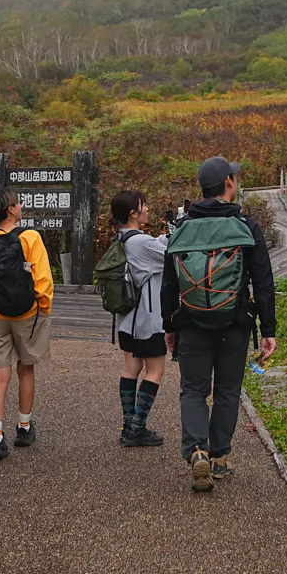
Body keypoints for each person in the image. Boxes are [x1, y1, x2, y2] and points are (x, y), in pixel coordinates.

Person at [162, 156, 277, 492]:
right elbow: (264, 282)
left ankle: (197, 449)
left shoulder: (182, 229)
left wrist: (170, 326)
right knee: (227, 391)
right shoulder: (245, 226)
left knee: (194, 390)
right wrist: (268, 330)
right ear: (228, 183)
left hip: (192, 324)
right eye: (235, 177)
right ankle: (220, 458)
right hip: (235, 325)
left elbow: (169, 284)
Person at [0, 189, 53, 461]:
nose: (21, 206)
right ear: (10, 209)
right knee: (26, 370)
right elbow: (42, 279)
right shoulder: (30, 237)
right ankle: (24, 427)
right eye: (18, 203)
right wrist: (42, 308)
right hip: (27, 314)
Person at [110, 188, 169, 447]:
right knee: (155, 370)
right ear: (133, 214)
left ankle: (128, 426)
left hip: (126, 320)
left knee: (131, 369)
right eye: (143, 206)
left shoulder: (121, 238)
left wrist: (162, 238)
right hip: (147, 319)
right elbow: (171, 257)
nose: (148, 209)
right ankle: (137, 428)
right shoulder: (142, 242)